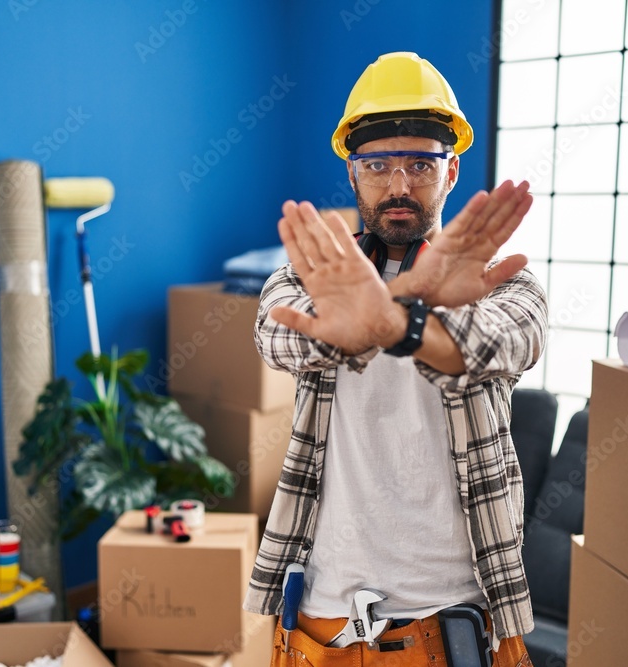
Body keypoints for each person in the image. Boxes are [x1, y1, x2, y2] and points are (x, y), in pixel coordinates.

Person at [243, 52, 547, 667]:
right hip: (323, 613)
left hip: (459, 611)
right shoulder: (307, 281)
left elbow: (494, 345)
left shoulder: (503, 283)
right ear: (352, 175)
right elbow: (277, 337)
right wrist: (369, 321)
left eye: (420, 164)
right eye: (378, 165)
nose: (399, 185)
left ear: (452, 170)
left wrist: (395, 320)